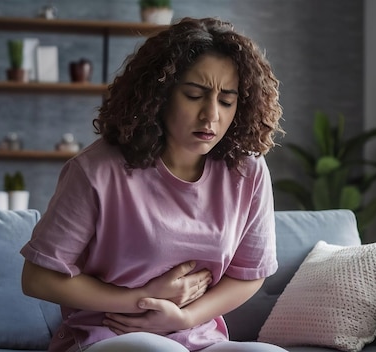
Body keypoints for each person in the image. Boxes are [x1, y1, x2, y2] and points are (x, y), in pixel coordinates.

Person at [20, 17, 286, 352]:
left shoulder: (248, 171)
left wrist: (184, 319)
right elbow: (37, 278)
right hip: (110, 335)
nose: (211, 116)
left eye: (226, 100)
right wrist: (139, 301)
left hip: (198, 338)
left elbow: (249, 273)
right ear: (160, 94)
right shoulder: (97, 170)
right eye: (194, 95)